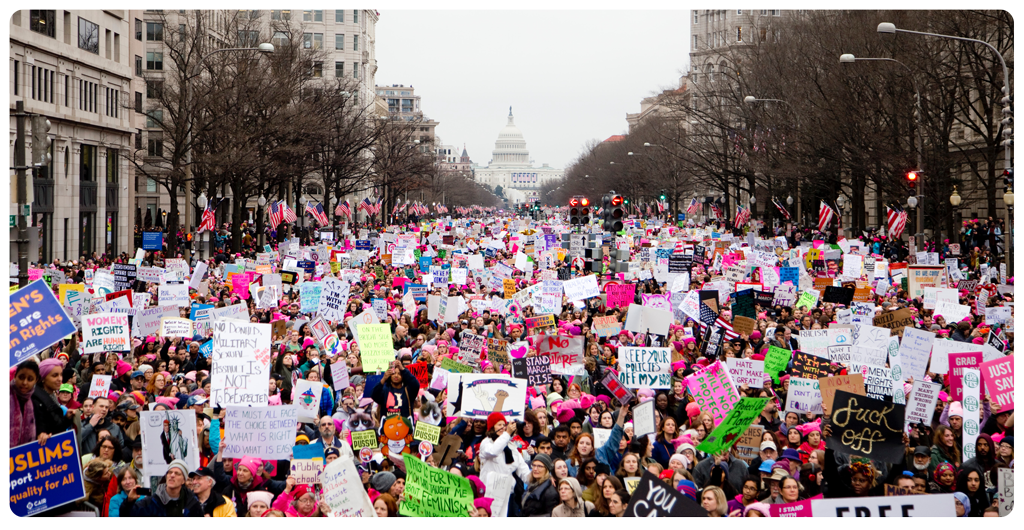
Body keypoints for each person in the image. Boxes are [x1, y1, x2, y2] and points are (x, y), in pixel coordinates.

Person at [120, 459, 204, 517]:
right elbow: (126, 516)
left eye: (177, 473)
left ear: (183, 480)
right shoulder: (152, 502)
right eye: (170, 472)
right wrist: (129, 501)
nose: (172, 475)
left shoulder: (192, 503)